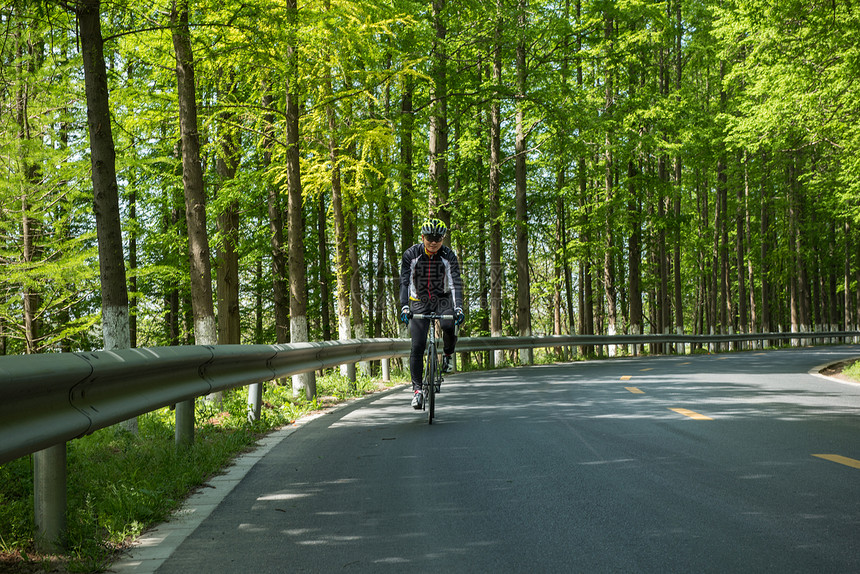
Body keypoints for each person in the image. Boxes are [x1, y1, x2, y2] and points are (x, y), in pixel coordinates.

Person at [399, 218, 465, 409]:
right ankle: (417, 390)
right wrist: (404, 306)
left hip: (442, 299)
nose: (434, 242)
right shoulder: (411, 254)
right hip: (418, 301)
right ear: (422, 237)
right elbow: (404, 283)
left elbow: (455, 283)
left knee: (448, 324)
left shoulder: (448, 255)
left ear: (443, 238)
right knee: (418, 345)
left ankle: (447, 353)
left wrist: (458, 307)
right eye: (429, 237)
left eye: (438, 238)